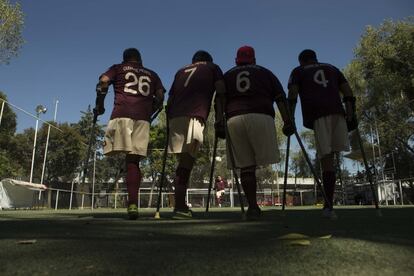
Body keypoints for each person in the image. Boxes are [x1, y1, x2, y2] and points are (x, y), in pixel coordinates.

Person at [222, 46, 294, 220]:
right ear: (254, 59)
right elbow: (279, 98)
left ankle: (253, 207)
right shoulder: (265, 72)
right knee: (261, 161)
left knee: (246, 166)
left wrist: (219, 122)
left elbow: (220, 99)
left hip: (234, 118)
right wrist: (287, 121)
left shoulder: (227, 74)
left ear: (236, 60)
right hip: (261, 115)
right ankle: (255, 205)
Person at [94, 48, 165, 219]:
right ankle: (133, 204)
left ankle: (130, 201)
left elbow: (103, 81)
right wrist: (152, 107)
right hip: (143, 118)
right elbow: (161, 97)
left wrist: (100, 105)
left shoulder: (118, 68)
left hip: (121, 114)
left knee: (124, 158)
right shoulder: (152, 74)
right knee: (134, 160)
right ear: (140, 59)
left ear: (124, 59)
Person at [287, 49, 356, 219]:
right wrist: (351, 114)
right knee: (332, 155)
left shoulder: (298, 71)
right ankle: (329, 202)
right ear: (315, 58)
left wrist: (289, 118)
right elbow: (348, 92)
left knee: (326, 158)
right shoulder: (332, 68)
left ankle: (328, 205)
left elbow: (293, 94)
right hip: (338, 113)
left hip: (318, 114)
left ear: (301, 61)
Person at [167, 50, 226, 218]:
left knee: (182, 162)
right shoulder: (213, 67)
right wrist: (220, 118)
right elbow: (221, 91)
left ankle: (180, 204)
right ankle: (179, 207)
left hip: (175, 117)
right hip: (195, 114)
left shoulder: (180, 71)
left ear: (193, 61)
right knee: (187, 162)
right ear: (208, 60)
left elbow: (170, 99)